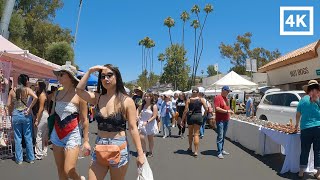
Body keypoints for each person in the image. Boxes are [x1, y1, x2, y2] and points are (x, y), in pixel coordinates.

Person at [75, 64, 144, 180]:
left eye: (109, 75)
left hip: (118, 147)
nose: (105, 79)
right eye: (102, 76)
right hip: (99, 146)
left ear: (117, 77)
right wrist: (90, 71)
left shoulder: (127, 101)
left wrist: (140, 153)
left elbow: (133, 128)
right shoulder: (97, 98)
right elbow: (79, 90)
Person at [50, 63, 90, 180]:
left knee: (69, 170)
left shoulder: (80, 95)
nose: (59, 76)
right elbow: (53, 113)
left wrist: (86, 141)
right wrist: (47, 130)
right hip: (56, 134)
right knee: (60, 170)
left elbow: (84, 119)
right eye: (58, 74)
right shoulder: (57, 93)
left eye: (61, 74)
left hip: (72, 135)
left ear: (70, 77)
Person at [7, 74, 38, 164]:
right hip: (26, 114)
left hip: (16, 114)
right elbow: (35, 97)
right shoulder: (27, 89)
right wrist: (29, 108)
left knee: (18, 137)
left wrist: (11, 110)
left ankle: (19, 159)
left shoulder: (12, 91)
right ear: (25, 81)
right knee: (28, 136)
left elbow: (8, 104)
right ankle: (30, 158)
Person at [296, 80, 320, 179]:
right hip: (318, 128)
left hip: (305, 128)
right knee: (318, 150)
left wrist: (296, 125)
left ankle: (301, 172)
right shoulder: (318, 98)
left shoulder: (302, 100)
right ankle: (318, 173)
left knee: (305, 150)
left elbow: (298, 114)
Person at [182, 87, 207, 157]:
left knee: (190, 133)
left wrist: (182, 120)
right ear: (198, 93)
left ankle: (190, 147)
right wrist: (203, 116)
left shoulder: (189, 100)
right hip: (198, 116)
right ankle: (196, 151)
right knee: (196, 134)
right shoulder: (201, 99)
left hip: (191, 117)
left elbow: (185, 110)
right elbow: (206, 109)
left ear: (192, 92)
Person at [214, 86, 234, 159]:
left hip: (226, 119)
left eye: (229, 91)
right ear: (223, 90)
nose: (228, 93)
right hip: (220, 120)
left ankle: (221, 150)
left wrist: (229, 110)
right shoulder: (218, 97)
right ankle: (219, 152)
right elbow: (217, 108)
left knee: (223, 136)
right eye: (227, 91)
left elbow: (227, 108)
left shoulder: (226, 99)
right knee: (220, 136)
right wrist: (227, 111)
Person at [137, 92, 158, 158]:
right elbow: (138, 109)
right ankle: (144, 151)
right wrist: (137, 115)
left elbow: (154, 116)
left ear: (151, 97)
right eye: (145, 96)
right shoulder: (142, 104)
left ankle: (150, 151)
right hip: (142, 123)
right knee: (141, 137)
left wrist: (147, 121)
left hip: (150, 123)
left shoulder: (153, 106)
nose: (146, 97)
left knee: (150, 139)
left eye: (148, 96)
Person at [33, 80, 49, 160]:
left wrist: (37, 119)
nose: (35, 86)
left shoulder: (42, 95)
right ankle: (43, 151)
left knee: (39, 135)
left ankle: (39, 154)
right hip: (44, 116)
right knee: (43, 135)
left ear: (40, 86)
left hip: (42, 116)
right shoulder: (43, 94)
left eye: (37, 85)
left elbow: (41, 108)